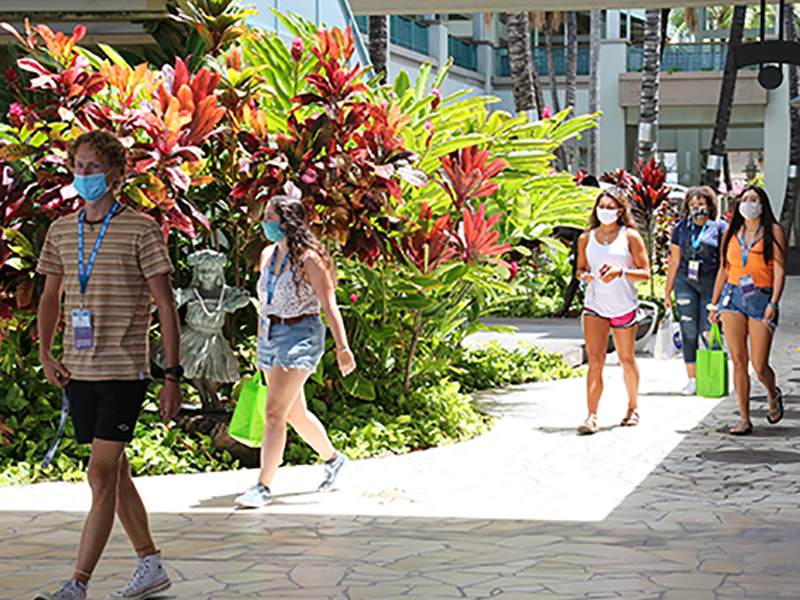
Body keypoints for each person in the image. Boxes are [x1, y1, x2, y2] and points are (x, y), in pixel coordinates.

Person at [35, 130, 182, 600]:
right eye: (77, 166)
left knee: (99, 474)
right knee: (115, 473)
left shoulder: (140, 229)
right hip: (79, 370)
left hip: (124, 370)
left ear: (116, 176)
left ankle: (76, 585)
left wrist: (171, 378)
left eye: (92, 168)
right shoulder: (61, 230)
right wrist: (45, 353)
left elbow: (165, 306)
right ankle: (150, 562)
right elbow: (49, 297)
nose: (83, 175)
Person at [235, 195, 356, 508]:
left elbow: (329, 305)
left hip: (301, 334)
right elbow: (265, 302)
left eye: (269, 217)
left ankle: (263, 485)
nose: (264, 222)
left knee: (274, 412)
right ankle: (334, 459)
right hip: (270, 334)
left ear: (287, 223)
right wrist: (260, 343)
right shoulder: (267, 254)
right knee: (293, 413)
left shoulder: (310, 259)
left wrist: (342, 348)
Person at [708, 185, 786, 435]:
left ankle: (773, 394)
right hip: (733, 297)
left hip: (761, 298)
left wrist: (774, 302)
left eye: (754, 199)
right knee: (739, 361)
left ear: (762, 205)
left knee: (759, 364)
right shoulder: (731, 231)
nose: (748, 203)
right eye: (744, 199)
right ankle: (744, 417)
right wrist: (714, 303)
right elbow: (724, 268)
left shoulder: (773, 232)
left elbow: (780, 269)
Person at [575, 188, 650, 434]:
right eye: (601, 206)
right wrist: (583, 276)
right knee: (595, 360)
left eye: (610, 207)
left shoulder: (630, 237)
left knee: (626, 359)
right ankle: (591, 416)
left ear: (620, 210)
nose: (604, 211)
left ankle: (632, 407)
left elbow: (646, 273)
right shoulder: (586, 238)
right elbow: (581, 268)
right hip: (595, 304)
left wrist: (621, 273)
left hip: (623, 305)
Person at [663, 186, 728, 395]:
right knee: (688, 329)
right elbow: (674, 261)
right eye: (692, 205)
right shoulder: (681, 228)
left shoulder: (720, 227)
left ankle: (714, 374)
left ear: (709, 205)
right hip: (685, 281)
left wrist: (722, 294)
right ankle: (692, 379)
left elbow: (726, 263)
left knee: (709, 329)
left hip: (711, 281)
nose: (696, 208)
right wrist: (667, 292)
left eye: (700, 204)